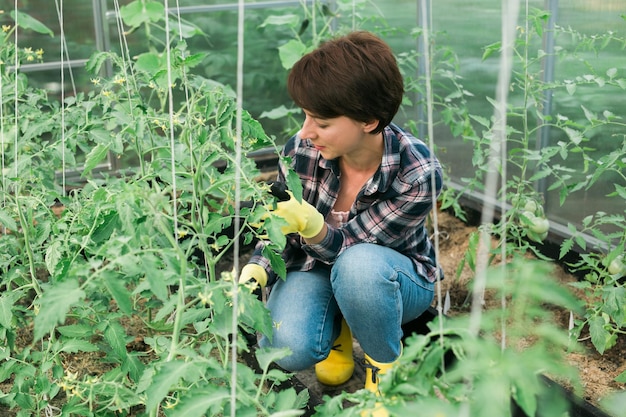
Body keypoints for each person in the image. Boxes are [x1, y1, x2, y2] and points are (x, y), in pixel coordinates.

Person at [240, 30, 443, 412]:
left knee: (359, 267)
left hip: (391, 280)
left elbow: (354, 248)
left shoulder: (417, 173)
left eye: (321, 120)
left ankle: (385, 374)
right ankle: (339, 334)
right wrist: (259, 268)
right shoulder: (302, 149)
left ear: (369, 120)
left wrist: (314, 227)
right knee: (283, 348)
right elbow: (279, 223)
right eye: (304, 115)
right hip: (315, 267)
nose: (304, 131)